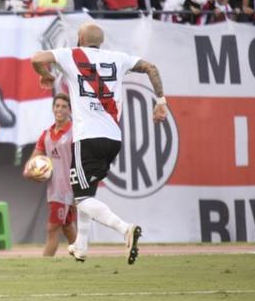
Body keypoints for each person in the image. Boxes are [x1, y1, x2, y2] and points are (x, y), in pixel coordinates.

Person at [31, 22, 168, 264]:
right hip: (113, 138)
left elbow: (37, 58)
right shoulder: (118, 58)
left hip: (87, 137)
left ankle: (125, 229)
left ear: (80, 38)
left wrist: (46, 75)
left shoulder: (71, 54)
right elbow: (151, 67)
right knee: (88, 192)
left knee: (82, 199)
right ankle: (81, 246)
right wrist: (160, 102)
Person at [23, 93, 76, 257]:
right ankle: (82, 257)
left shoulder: (76, 132)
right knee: (67, 227)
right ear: (53, 108)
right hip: (53, 190)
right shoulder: (46, 134)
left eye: (64, 106)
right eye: (57, 106)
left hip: (68, 189)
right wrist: (30, 173)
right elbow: (32, 162)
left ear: (70, 110)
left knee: (52, 229)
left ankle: (43, 267)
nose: (59, 109)